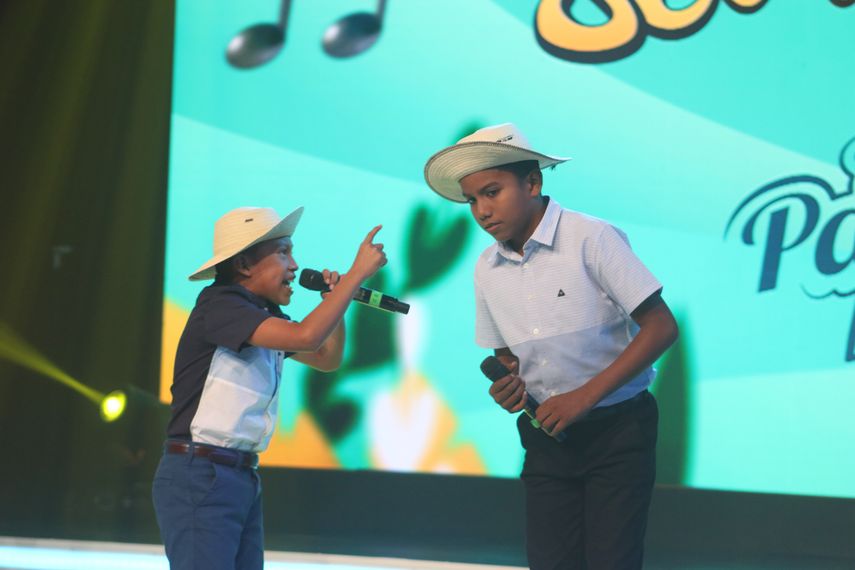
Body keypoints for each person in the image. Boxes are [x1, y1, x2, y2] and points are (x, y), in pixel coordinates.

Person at [424, 123, 678, 569]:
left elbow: (661, 327)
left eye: (492, 191)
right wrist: (509, 387)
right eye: (472, 201)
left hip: (619, 432)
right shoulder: (487, 267)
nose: (482, 211)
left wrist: (584, 396)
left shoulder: (591, 238)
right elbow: (507, 358)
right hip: (546, 438)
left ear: (533, 182)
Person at [152, 206, 386, 570]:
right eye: (283, 252)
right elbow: (307, 338)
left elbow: (326, 357)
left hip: (239, 475)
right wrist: (355, 276)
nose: (294, 265)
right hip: (202, 474)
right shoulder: (221, 305)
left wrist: (334, 301)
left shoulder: (262, 316)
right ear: (244, 264)